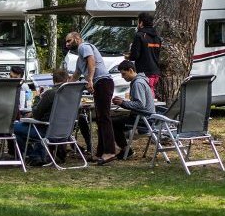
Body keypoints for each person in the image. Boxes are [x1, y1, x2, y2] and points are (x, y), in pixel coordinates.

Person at [64, 30, 116, 164]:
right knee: (100, 119)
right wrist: (62, 88)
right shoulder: (79, 59)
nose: (67, 44)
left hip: (103, 82)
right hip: (99, 84)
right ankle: (100, 153)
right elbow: (75, 76)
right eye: (66, 42)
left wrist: (90, 80)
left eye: (69, 40)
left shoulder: (84, 47)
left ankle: (110, 152)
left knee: (104, 117)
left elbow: (92, 61)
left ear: (77, 38)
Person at [13, 68, 70, 165]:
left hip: (46, 131)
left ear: (53, 80)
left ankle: (34, 156)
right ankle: (37, 155)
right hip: (65, 131)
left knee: (12, 127)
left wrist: (38, 98)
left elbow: (37, 114)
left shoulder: (51, 93)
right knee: (23, 130)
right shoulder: (72, 93)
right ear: (67, 79)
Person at [110, 60, 155, 160]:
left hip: (144, 119)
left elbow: (140, 104)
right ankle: (124, 148)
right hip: (146, 117)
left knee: (112, 123)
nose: (122, 77)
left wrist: (123, 103)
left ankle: (126, 150)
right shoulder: (141, 81)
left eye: (123, 74)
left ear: (130, 70)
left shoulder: (138, 83)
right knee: (115, 120)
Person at [126, 12, 162, 95]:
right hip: (155, 73)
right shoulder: (157, 38)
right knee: (150, 94)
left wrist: (129, 57)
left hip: (144, 73)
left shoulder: (139, 35)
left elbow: (135, 55)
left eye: (138, 21)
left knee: (145, 96)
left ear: (141, 23)